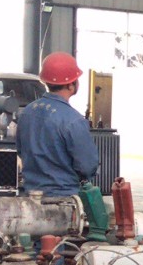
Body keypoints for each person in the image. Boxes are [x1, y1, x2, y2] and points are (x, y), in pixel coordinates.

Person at [17, 52, 100, 198]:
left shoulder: (27, 112)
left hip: (30, 196)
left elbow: (20, 150)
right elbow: (87, 166)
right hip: (63, 199)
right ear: (71, 85)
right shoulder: (73, 120)